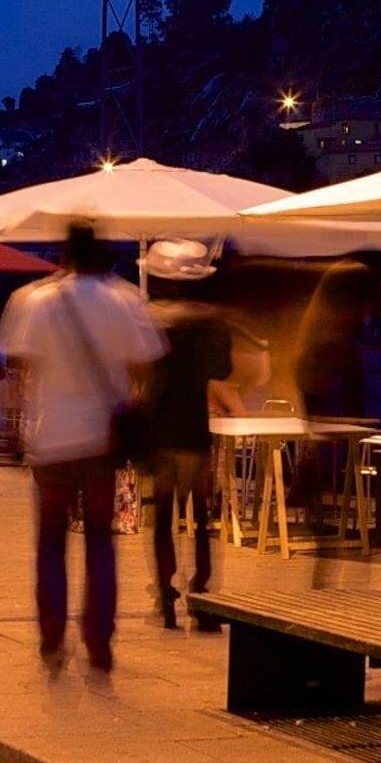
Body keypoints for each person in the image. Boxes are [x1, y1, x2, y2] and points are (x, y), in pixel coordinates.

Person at [0, 223, 165, 674]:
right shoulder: (127, 299)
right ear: (106, 255)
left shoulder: (33, 300)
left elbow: (17, 368)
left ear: (62, 254)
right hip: (103, 439)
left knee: (50, 542)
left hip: (51, 437)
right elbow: (147, 368)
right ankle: (99, 643)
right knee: (99, 541)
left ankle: (52, 638)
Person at [138, 259, 238, 630]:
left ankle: (166, 595)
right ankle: (203, 597)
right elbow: (223, 371)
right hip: (195, 431)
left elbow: (136, 366)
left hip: (159, 432)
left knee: (163, 520)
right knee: (201, 519)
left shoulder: (148, 319)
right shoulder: (211, 321)